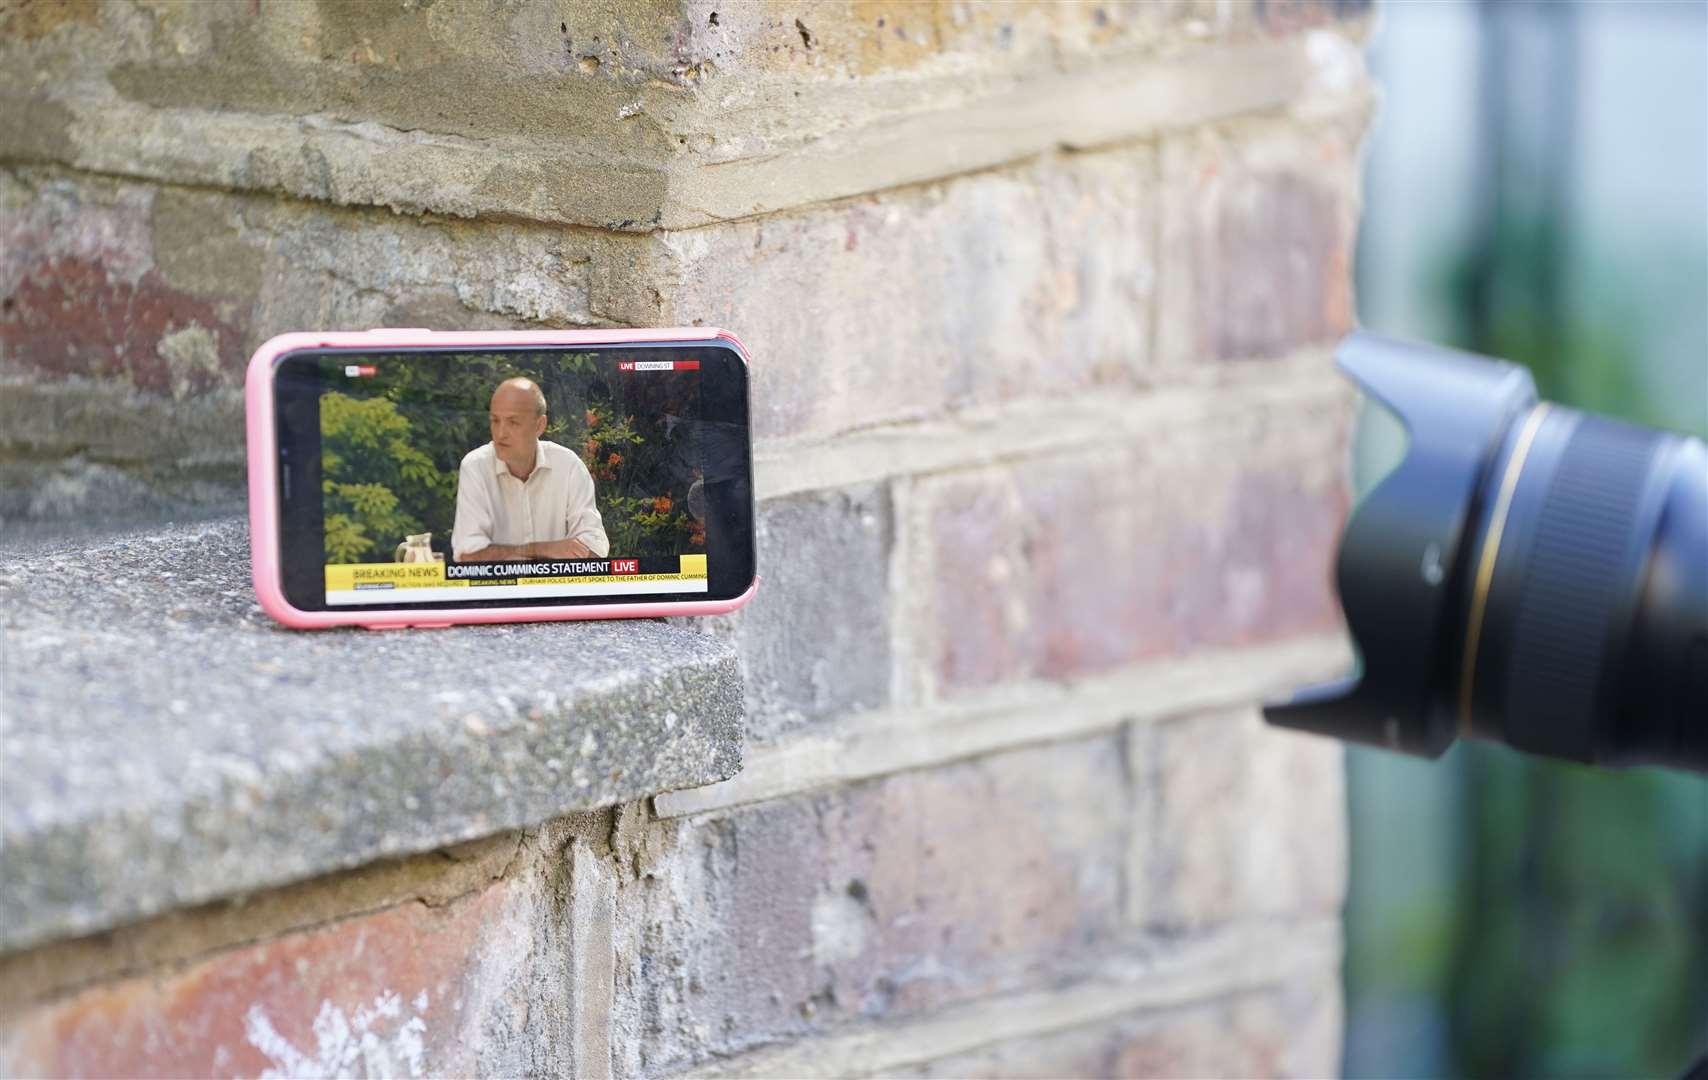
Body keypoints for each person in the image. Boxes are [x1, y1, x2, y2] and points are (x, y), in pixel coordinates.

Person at [451, 377, 610, 561]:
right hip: (497, 589)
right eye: (495, 421)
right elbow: (468, 556)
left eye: (513, 422)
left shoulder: (568, 466)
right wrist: (541, 549)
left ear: (539, 425)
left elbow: (594, 548)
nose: (500, 433)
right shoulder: (476, 466)